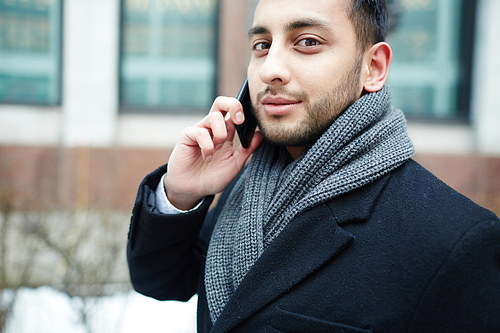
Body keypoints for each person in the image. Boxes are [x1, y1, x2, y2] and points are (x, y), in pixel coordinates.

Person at [127, 0, 500, 331]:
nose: (270, 69)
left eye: (307, 42)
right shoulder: (249, 186)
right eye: (262, 45)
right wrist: (179, 194)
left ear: (373, 67)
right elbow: (162, 282)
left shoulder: (457, 241)